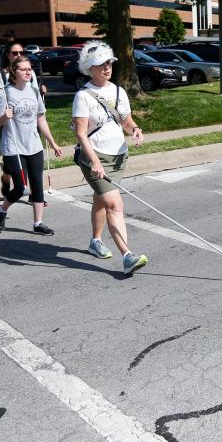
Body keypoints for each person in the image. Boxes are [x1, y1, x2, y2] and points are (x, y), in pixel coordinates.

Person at [72, 41, 148, 274]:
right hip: (94, 157)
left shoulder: (118, 91)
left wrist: (134, 128)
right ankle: (127, 256)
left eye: (109, 63)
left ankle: (95, 241)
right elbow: (81, 133)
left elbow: (125, 119)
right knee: (114, 204)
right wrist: (94, 161)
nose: (107, 68)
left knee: (101, 199)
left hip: (118, 157)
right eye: (101, 64)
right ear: (89, 68)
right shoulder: (83, 96)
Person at [0, 54, 63, 235]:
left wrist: (52, 142)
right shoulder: (4, 93)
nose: (28, 72)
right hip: (13, 147)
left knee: (37, 185)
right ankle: (2, 209)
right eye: (23, 69)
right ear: (13, 72)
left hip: (34, 145)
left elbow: (41, 119)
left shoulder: (34, 91)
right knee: (21, 188)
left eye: (30, 69)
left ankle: (38, 223)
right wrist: (3, 118)